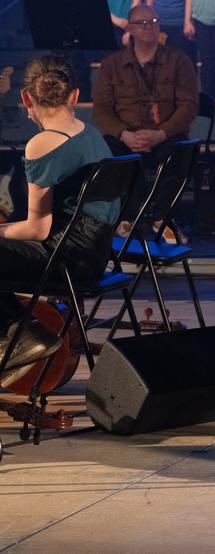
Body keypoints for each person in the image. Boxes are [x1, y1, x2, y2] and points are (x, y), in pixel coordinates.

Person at [0, 58, 119, 387]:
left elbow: (37, 229)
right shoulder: (92, 134)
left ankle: (21, 336)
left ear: (26, 98)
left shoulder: (42, 144)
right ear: (75, 95)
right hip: (97, 253)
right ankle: (21, 335)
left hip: (66, 260)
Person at [91, 6, 198, 157]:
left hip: (167, 138)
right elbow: (101, 109)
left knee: (177, 151)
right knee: (106, 151)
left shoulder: (178, 61)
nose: (149, 26)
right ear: (130, 28)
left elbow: (189, 105)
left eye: (153, 22)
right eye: (142, 23)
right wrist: (124, 134)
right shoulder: (112, 64)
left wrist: (161, 134)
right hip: (125, 139)